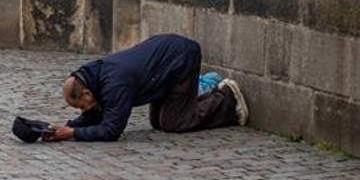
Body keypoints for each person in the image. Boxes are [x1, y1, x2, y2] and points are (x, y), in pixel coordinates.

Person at [46, 33, 248, 142]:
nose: (82, 109)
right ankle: (211, 96)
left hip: (179, 59)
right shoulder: (95, 78)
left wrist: (73, 134)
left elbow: (111, 129)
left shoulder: (114, 84)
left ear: (86, 92)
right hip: (162, 68)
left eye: (80, 105)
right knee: (157, 122)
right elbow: (97, 113)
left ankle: (228, 99)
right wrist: (69, 126)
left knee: (173, 122)